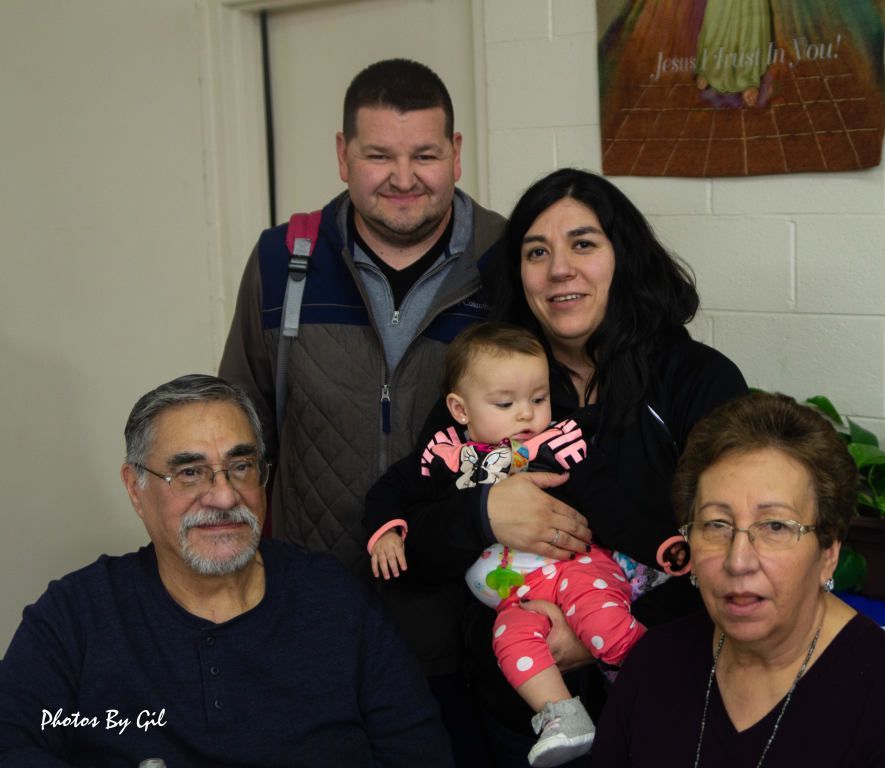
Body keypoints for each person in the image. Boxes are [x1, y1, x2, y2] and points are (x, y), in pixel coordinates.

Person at [399, 169, 749, 765]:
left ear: (624, 257)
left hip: (668, 690)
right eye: (537, 252)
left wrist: (603, 629)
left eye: (583, 244)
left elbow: (731, 542)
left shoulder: (697, 379)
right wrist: (485, 514)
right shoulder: (486, 390)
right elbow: (414, 548)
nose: (560, 268)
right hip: (519, 714)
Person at [218, 58, 504, 763]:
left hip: (473, 628)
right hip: (309, 624)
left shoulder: (507, 260)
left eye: (425, 155)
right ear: (343, 154)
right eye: (378, 154)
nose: (403, 177)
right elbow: (237, 433)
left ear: (457, 154)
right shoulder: (283, 258)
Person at [0, 375, 453, 768]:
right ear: (135, 490)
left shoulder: (336, 601)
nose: (223, 496)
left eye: (240, 467)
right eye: (191, 473)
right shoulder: (76, 617)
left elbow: (420, 754)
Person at [366, 322, 672, 767]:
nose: (527, 414)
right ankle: (562, 716)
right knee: (509, 641)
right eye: (506, 404)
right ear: (460, 408)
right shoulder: (448, 456)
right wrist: (387, 530)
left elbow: (612, 506)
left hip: (576, 571)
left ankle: (657, 683)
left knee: (600, 619)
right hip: (516, 601)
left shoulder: (559, 445)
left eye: (539, 399)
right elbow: (391, 488)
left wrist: (661, 547)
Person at [592, 392, 885, 766]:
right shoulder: (653, 664)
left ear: (829, 553)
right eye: (716, 524)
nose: (738, 560)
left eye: (776, 526)